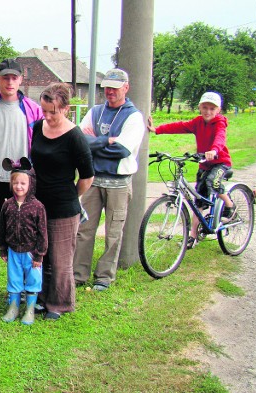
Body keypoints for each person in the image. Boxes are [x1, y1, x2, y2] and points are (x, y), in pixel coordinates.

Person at [73, 68, 144, 292]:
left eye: (114, 88)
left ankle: (104, 276)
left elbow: (122, 150)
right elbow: (80, 140)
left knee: (113, 232)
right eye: (107, 88)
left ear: (125, 87)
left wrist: (96, 142)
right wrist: (109, 140)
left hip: (119, 182)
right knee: (84, 228)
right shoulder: (95, 111)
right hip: (93, 179)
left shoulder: (133, 116)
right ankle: (78, 273)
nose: (110, 92)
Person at [0, 58, 43, 300]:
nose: (9, 82)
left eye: (14, 77)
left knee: (25, 236)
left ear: (20, 80)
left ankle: (25, 286)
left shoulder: (32, 109)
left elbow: (38, 144)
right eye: (5, 77)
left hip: (22, 182)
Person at [31, 82, 94, 320]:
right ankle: (42, 296)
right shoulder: (39, 127)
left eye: (52, 112)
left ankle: (59, 303)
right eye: (44, 110)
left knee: (60, 258)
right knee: (41, 253)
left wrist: (72, 196)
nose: (47, 116)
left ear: (66, 109)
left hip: (64, 206)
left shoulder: (75, 137)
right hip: (38, 202)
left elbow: (87, 177)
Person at [147, 91, 235, 248]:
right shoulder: (198, 122)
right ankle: (193, 236)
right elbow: (179, 126)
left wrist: (214, 151)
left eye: (212, 109)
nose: (208, 111)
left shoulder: (220, 123)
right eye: (205, 107)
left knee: (212, 182)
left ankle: (229, 205)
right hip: (204, 164)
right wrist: (157, 129)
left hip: (220, 162)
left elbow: (220, 138)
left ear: (218, 111)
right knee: (198, 201)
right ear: (200, 108)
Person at [0, 158, 48, 325]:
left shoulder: (37, 206)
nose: (19, 186)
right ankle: (14, 307)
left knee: (33, 280)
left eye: (23, 183)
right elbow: (1, 228)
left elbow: (42, 232)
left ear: (30, 184)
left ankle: (30, 309)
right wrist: (2, 248)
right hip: (13, 251)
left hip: (31, 252)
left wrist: (39, 255)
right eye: (15, 183)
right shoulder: (8, 205)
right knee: (14, 279)